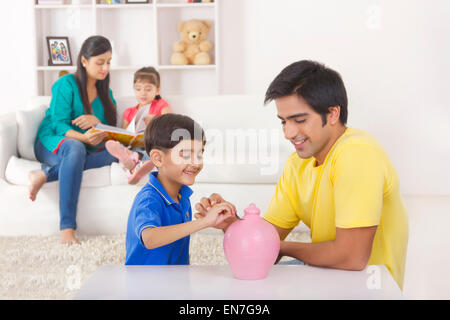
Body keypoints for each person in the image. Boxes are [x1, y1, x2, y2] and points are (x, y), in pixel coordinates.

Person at [194, 60, 409, 289]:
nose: (288, 133)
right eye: (284, 122)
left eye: (299, 120)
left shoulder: (357, 154)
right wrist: (234, 225)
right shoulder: (298, 164)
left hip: (366, 288)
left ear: (333, 113)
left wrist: (278, 246)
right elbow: (264, 251)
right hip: (327, 278)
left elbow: (352, 258)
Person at [28, 35, 119, 245]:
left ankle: (45, 174)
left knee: (114, 150)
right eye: (100, 62)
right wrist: (83, 137)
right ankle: (67, 228)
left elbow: (108, 131)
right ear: (84, 61)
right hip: (53, 141)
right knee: (75, 148)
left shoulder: (107, 93)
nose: (105, 67)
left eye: (108, 62)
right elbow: (59, 124)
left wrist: (97, 122)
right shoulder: (65, 84)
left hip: (85, 148)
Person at [125, 113, 237, 265]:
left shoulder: (182, 196)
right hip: (146, 285)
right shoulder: (149, 198)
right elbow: (149, 238)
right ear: (158, 158)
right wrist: (204, 222)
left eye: (200, 154)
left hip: (176, 281)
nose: (196, 163)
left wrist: (223, 218)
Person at [105, 66, 171, 184]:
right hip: (135, 145)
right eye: (138, 89)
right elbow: (124, 133)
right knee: (122, 146)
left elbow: (170, 123)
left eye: (148, 89)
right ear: (134, 90)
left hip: (153, 143)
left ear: (157, 90)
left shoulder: (161, 104)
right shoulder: (129, 112)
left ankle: (137, 163)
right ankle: (131, 161)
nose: (143, 93)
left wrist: (156, 120)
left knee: (159, 151)